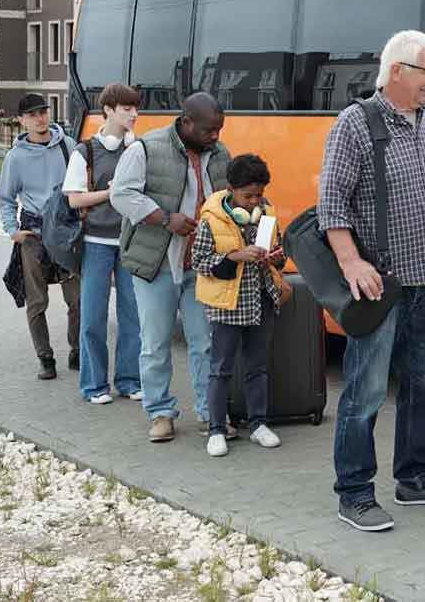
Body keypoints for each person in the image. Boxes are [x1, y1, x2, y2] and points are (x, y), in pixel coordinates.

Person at [318, 29, 425, 533]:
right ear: (398, 71)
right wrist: (350, 263)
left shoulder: (424, 123)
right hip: (380, 286)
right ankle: (355, 493)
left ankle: (415, 477)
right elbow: (332, 204)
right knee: (364, 392)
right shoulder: (356, 124)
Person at [109, 92, 230, 444]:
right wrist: (165, 218)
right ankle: (160, 412)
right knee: (155, 343)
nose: (216, 137)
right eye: (210, 130)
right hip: (156, 264)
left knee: (204, 343)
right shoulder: (145, 149)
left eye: (220, 130)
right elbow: (121, 195)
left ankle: (211, 416)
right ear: (187, 122)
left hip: (201, 266)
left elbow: (230, 197)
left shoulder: (220, 154)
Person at [191, 153, 292, 458]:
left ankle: (259, 424)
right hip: (227, 304)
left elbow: (282, 253)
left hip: (261, 298)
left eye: (259, 195)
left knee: (258, 366)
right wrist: (233, 257)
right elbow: (199, 261)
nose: (253, 202)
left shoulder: (267, 213)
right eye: (248, 196)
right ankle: (216, 429)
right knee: (220, 369)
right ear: (231, 190)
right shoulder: (211, 218)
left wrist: (276, 256)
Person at [63, 83, 143, 406]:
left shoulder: (136, 150)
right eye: (127, 109)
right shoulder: (86, 151)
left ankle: (128, 380)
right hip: (95, 243)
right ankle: (94, 385)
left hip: (128, 242)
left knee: (133, 316)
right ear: (108, 110)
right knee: (93, 317)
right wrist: (111, 193)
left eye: (135, 108)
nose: (134, 114)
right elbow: (74, 200)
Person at [0, 92, 81, 381]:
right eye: (32, 114)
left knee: (78, 298)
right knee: (37, 301)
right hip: (32, 232)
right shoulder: (15, 157)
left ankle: (77, 350)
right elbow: (5, 198)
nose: (40, 118)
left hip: (66, 231)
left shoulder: (69, 146)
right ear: (21, 121)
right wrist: (12, 231)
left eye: (43, 111)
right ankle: (45, 358)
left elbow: (81, 186)